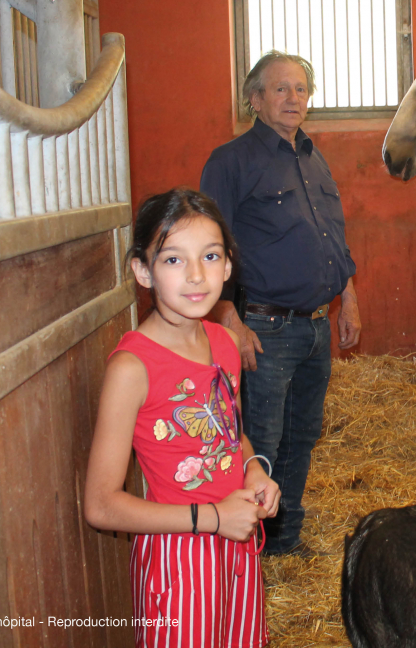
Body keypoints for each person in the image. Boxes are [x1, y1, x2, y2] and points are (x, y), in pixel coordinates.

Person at [83, 187, 280, 647]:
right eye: (173, 260)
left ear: (229, 265)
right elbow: (100, 504)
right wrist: (212, 518)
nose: (196, 276)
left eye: (210, 256)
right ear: (142, 271)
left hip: (237, 541)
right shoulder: (131, 368)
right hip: (179, 556)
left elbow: (231, 436)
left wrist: (253, 471)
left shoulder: (225, 344)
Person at [200, 51, 361, 556]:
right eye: (281, 89)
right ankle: (246, 551)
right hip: (264, 328)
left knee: (302, 436)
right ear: (255, 100)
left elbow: (333, 234)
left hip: (315, 327)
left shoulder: (313, 157)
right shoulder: (230, 162)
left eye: (301, 89)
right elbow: (210, 244)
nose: (294, 99)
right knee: (260, 444)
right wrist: (228, 316)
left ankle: (283, 539)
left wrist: (348, 298)